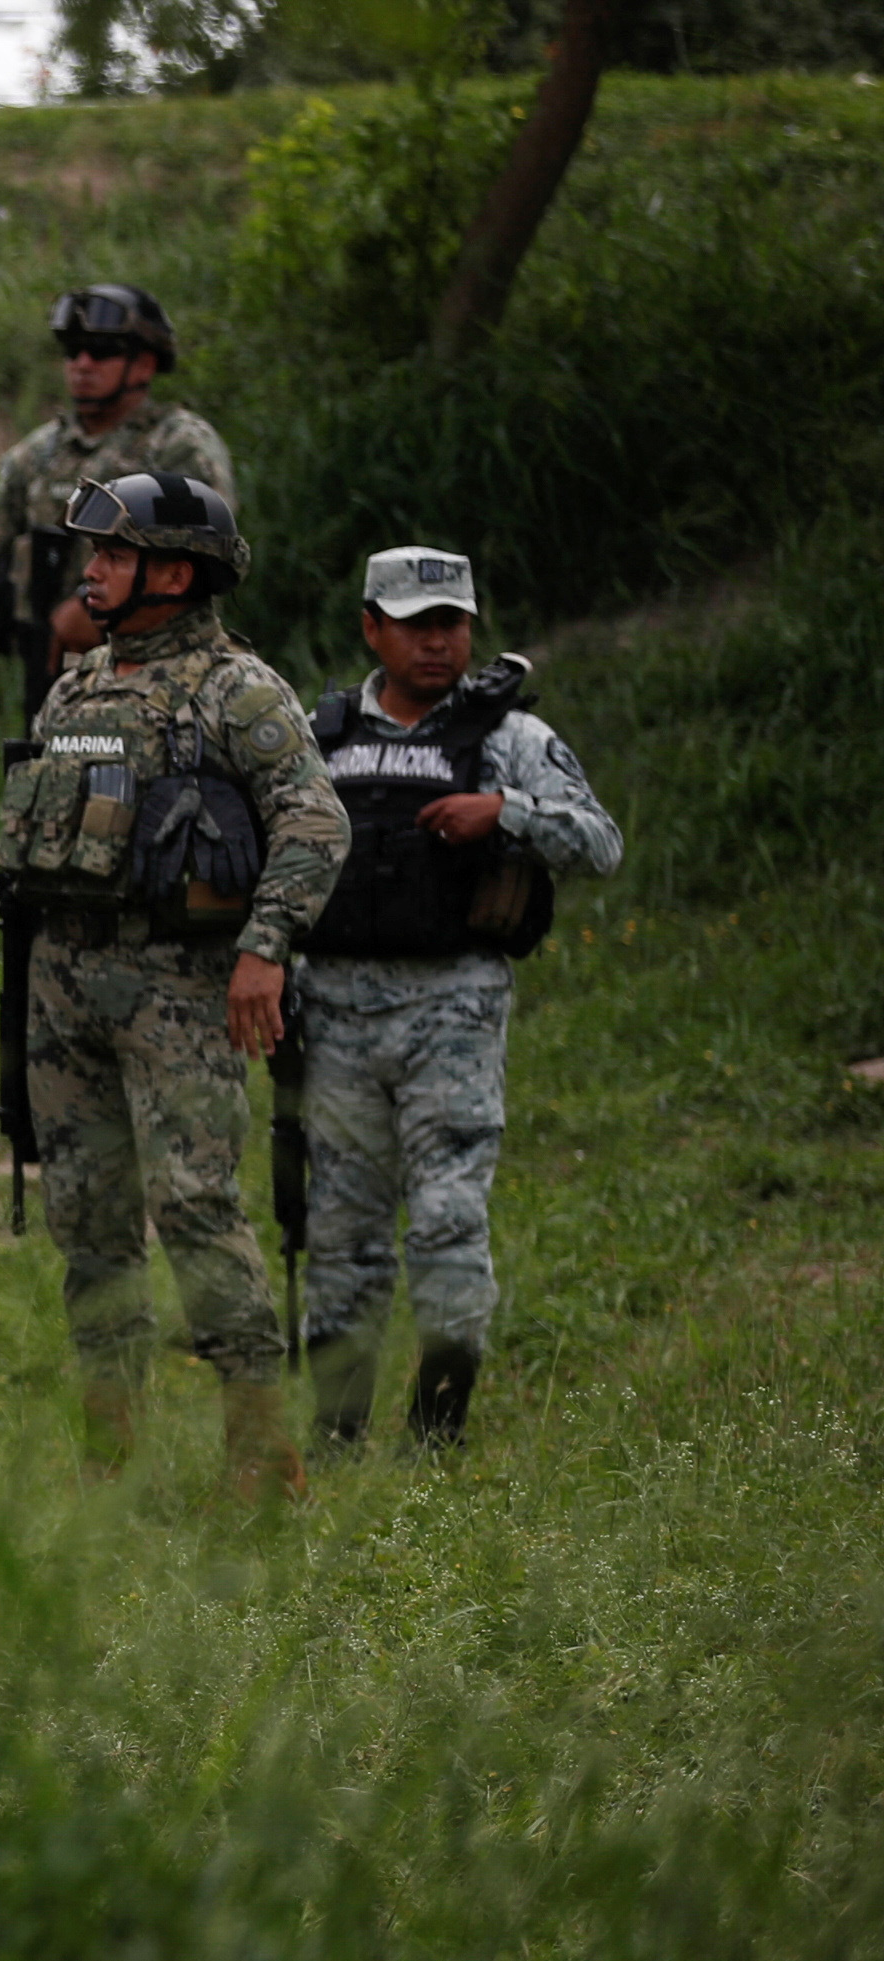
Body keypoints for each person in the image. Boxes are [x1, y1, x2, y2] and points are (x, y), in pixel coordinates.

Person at [0, 472, 347, 1500]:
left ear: (175, 570)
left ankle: (261, 1446)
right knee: (89, 1217)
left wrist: (264, 946)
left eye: (112, 552)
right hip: (63, 988)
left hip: (178, 990)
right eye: (92, 552)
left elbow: (316, 821)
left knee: (194, 1201)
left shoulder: (237, 689)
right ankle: (111, 1448)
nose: (90, 568)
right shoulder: (73, 686)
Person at [291, 546, 620, 1452]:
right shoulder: (319, 737)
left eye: (454, 624)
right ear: (372, 628)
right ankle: (338, 1431)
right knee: (343, 1231)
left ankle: (439, 1428)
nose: (438, 644)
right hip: (335, 1015)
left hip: (454, 1010)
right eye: (416, 624)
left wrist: (505, 812)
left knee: (445, 1217)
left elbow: (600, 842)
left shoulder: (506, 737)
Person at [0, 284, 234, 743]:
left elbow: (211, 560)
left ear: (146, 364)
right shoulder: (37, 455)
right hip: (53, 669)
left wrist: (96, 610)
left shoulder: (179, 447)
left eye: (102, 351)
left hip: (159, 675)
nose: (82, 364)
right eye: (73, 352)